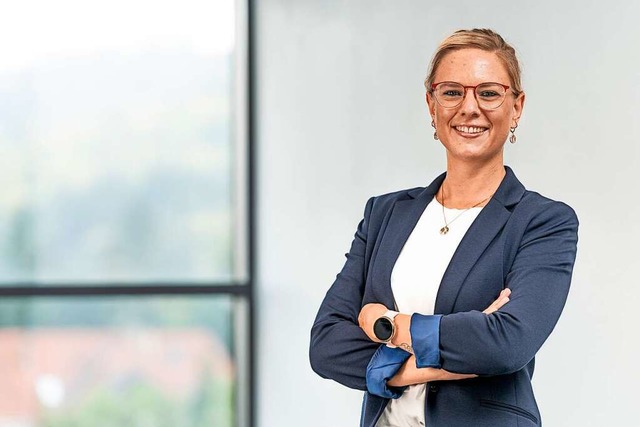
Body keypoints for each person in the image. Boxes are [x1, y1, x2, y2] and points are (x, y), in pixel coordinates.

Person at [309, 28, 579, 427]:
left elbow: (507, 344)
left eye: (488, 93)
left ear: (516, 107)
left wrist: (388, 325)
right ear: (431, 105)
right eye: (452, 92)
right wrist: (430, 364)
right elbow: (327, 345)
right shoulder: (384, 214)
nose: (470, 108)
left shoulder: (542, 222)